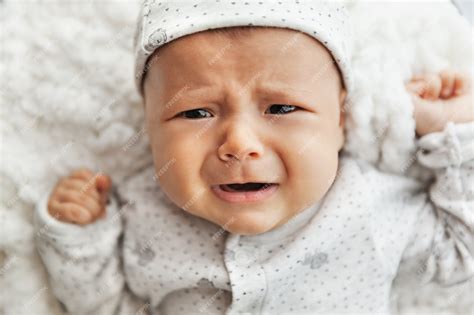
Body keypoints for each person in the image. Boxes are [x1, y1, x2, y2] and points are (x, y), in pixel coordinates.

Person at [34, 1, 473, 314]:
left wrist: (452, 131)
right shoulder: (140, 214)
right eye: (195, 112)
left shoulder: (368, 209)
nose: (239, 143)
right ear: (148, 127)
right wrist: (81, 244)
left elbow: (463, 249)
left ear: (341, 119)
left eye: (281, 108)